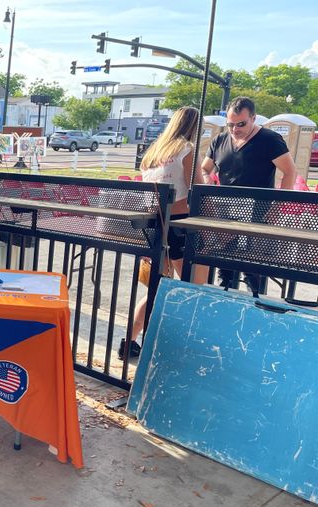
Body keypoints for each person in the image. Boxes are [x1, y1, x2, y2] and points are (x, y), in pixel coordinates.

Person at [119, 107, 210, 359]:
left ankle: (129, 341)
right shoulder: (186, 149)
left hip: (157, 226)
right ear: (194, 127)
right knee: (195, 289)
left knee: (156, 289)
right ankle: (183, 347)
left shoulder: (153, 153)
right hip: (182, 223)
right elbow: (198, 189)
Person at [201, 96, 297, 292]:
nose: (235, 129)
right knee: (224, 263)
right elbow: (205, 169)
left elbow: (289, 172)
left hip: (258, 210)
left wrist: (276, 206)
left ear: (254, 118)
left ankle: (255, 300)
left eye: (241, 124)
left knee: (253, 266)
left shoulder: (270, 140)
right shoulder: (220, 140)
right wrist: (208, 179)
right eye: (230, 124)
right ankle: (225, 295)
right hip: (226, 210)